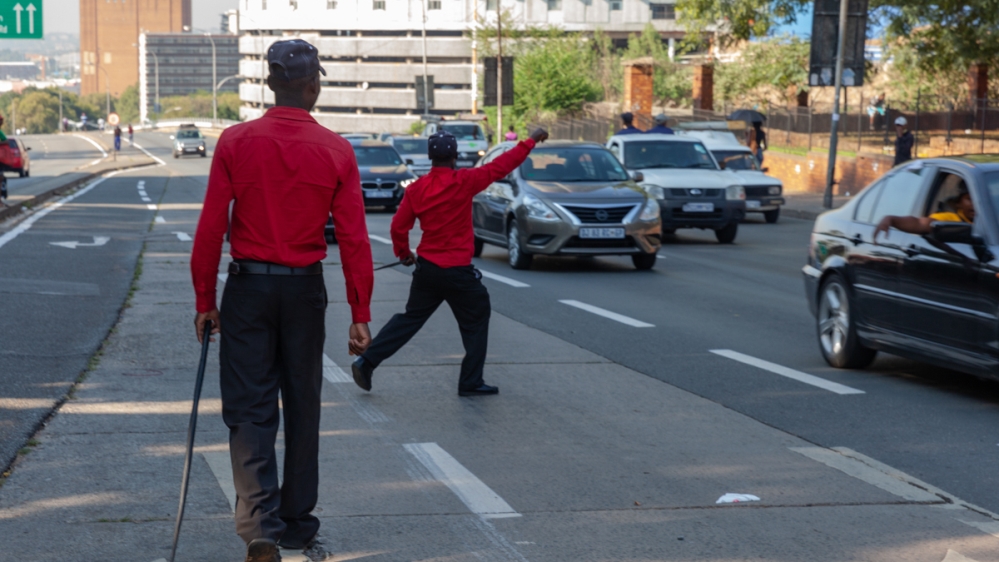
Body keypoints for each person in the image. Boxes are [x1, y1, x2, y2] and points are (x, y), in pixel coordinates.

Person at [190, 38, 374, 562]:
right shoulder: (337, 150)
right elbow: (356, 240)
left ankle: (260, 527)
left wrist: (206, 298)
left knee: (250, 410)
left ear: (271, 86)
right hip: (303, 289)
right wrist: (360, 314)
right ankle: (297, 524)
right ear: (313, 86)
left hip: (247, 288)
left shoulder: (235, 141)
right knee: (303, 404)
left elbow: (210, 227)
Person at [351, 126, 549, 396]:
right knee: (477, 317)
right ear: (455, 156)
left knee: (410, 319)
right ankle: (470, 381)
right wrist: (530, 141)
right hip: (458, 272)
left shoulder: (416, 189)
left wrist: (404, 254)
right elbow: (503, 164)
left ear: (430, 157)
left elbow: (398, 227)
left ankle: (366, 360)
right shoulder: (465, 181)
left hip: (428, 270)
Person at [874, 183, 975, 241]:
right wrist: (891, 219)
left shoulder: (990, 223)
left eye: (980, 200)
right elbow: (919, 223)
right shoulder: (951, 219)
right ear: (958, 203)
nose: (975, 204)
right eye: (970, 199)